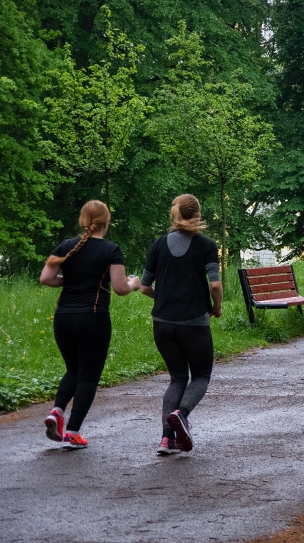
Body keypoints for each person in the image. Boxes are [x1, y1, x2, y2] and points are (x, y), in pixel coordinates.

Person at [39, 201, 141, 449]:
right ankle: (72, 433)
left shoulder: (66, 246)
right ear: (106, 223)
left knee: (73, 369)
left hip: (63, 317)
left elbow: (46, 278)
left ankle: (56, 411)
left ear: (83, 221)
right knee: (88, 376)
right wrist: (134, 284)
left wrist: (72, 280)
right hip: (93, 317)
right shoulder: (111, 250)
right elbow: (119, 288)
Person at [140, 194, 222, 455]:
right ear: (197, 214)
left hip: (162, 323)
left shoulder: (158, 245)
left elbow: (144, 288)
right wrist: (216, 306)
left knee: (177, 378)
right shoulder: (206, 245)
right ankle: (181, 414)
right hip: (194, 323)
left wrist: (163, 296)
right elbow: (215, 284)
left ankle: (167, 440)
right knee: (200, 376)